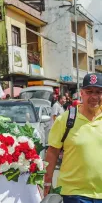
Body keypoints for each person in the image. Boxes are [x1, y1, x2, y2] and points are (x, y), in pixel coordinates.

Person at [44, 73, 102, 202]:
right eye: (89, 91)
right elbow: (52, 152)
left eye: (98, 92)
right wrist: (47, 182)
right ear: (81, 93)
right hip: (74, 194)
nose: (94, 96)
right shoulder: (66, 119)